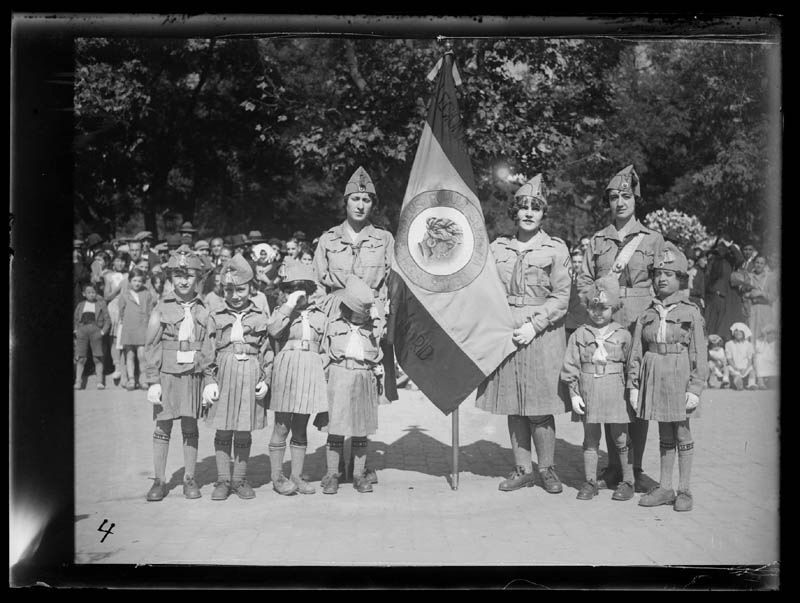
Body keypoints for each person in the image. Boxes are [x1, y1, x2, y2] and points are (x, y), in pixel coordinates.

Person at [476, 174, 570, 494]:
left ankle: (547, 469)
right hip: (507, 330)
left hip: (542, 332)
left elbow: (561, 297)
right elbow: (485, 289)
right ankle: (522, 469)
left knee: (540, 405)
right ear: (514, 212)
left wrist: (535, 324)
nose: (529, 213)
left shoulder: (555, 248)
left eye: (536, 207)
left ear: (544, 213)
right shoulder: (497, 247)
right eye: (523, 207)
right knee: (514, 403)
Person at [576, 165, 664, 494]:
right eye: (614, 197)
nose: (620, 202)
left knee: (635, 394)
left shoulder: (652, 239)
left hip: (639, 321)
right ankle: (614, 468)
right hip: (607, 323)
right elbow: (584, 279)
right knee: (610, 392)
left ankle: (634, 468)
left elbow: (662, 282)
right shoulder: (597, 241)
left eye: (626, 196)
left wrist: (654, 318)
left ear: (636, 199)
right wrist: (596, 306)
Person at [313, 166, 396, 483]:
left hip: (369, 325)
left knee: (363, 400)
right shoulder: (328, 239)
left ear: (372, 205)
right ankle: (333, 472)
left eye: (366, 200)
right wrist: (327, 316)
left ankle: (359, 471)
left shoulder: (383, 239)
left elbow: (390, 284)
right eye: (355, 199)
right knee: (335, 399)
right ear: (345, 202)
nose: (360, 205)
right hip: (337, 323)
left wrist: (381, 315)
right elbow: (318, 286)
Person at [628, 242, 708, 512]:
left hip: (678, 376)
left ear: (681, 279)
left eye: (669, 274)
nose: (661, 278)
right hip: (654, 375)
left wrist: (695, 388)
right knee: (663, 429)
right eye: (657, 273)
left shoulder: (690, 312)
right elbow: (636, 352)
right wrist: (634, 384)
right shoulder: (647, 314)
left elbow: (699, 353)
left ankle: (684, 489)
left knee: (682, 430)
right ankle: (665, 487)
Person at [202, 254, 273, 501]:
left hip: (250, 374)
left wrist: (266, 378)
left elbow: (267, 350)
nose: (235, 295)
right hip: (224, 373)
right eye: (229, 289)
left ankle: (240, 479)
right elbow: (207, 349)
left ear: (250, 288)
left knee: (243, 429)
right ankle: (222, 480)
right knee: (223, 428)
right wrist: (209, 380)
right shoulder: (215, 315)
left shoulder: (260, 316)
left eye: (240, 289)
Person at [143, 251, 211, 501]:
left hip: (193, 375)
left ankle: (190, 478)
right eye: (178, 275)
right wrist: (152, 381)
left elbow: (208, 345)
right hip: (168, 375)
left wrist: (209, 380)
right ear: (171, 277)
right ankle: (159, 480)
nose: (183, 281)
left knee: (190, 425)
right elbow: (151, 344)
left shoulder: (205, 309)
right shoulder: (161, 308)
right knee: (163, 425)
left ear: (198, 277)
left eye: (189, 275)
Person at [561, 276, 634, 501]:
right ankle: (590, 481)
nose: (598, 312)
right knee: (591, 439)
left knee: (620, 437)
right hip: (589, 390)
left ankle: (628, 480)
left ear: (614, 308)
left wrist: (633, 389)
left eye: (604, 308)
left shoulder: (623, 334)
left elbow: (631, 365)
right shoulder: (580, 334)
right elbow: (570, 365)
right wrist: (574, 394)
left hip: (615, 391)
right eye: (593, 307)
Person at [266, 263, 328, 496]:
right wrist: (289, 305)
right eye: (292, 287)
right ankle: (277, 476)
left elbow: (326, 346)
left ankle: (297, 475)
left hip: (310, 368)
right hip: (287, 367)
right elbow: (273, 331)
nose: (298, 291)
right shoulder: (281, 312)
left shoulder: (319, 315)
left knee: (300, 427)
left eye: (303, 287)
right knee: (282, 426)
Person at [320, 276, 385, 495]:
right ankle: (332, 475)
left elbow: (379, 346)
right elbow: (324, 353)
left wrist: (375, 317)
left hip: (363, 376)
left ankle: (358, 474)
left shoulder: (372, 328)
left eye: (365, 311)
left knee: (360, 429)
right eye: (358, 310)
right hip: (339, 375)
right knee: (335, 428)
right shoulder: (334, 324)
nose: (362, 315)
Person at [118, 268, 156, 390]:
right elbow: (122, 312)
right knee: (129, 355)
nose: (137, 283)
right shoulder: (124, 295)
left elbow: (150, 310)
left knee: (142, 355)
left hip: (142, 328)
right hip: (129, 329)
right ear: (130, 281)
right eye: (134, 280)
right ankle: (131, 380)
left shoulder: (146, 294)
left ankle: (143, 379)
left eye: (139, 281)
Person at [704, 238, 745, 339]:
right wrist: (714, 291)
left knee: (725, 324)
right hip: (715, 296)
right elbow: (708, 279)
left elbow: (740, 259)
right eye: (719, 248)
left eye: (723, 248)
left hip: (728, 295)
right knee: (713, 323)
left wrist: (731, 246)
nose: (721, 250)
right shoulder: (713, 261)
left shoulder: (730, 261)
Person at [74, 283, 111, 390]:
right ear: (84, 294)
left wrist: (102, 332)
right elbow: (76, 318)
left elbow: (107, 319)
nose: (91, 295)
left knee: (98, 357)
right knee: (81, 358)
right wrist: (77, 330)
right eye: (89, 293)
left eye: (93, 292)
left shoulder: (101, 304)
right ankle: (78, 381)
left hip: (96, 331)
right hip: (82, 331)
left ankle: (100, 381)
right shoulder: (81, 305)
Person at [104, 252, 130, 386]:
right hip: (113, 306)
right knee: (114, 340)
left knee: (123, 339)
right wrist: (118, 288)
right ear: (113, 262)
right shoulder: (108, 276)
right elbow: (107, 296)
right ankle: (117, 367)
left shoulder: (128, 275)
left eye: (122, 261)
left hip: (126, 306)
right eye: (117, 261)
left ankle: (126, 369)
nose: (120, 264)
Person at [742, 256, 776, 346]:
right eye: (757, 262)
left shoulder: (770, 278)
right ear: (754, 263)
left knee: (764, 336)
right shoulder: (749, 276)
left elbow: (773, 297)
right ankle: (752, 359)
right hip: (752, 309)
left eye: (761, 263)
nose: (759, 265)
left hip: (765, 310)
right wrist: (748, 295)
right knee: (751, 335)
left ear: (765, 265)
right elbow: (743, 295)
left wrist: (760, 293)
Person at [725, 322, 756, 390]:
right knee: (733, 372)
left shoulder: (749, 345)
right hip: (735, 366)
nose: (738, 334)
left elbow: (750, 359)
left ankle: (751, 384)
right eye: (736, 332)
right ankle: (739, 384)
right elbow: (729, 359)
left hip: (745, 367)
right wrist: (736, 368)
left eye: (740, 332)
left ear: (744, 334)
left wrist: (746, 369)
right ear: (733, 334)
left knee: (752, 371)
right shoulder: (729, 344)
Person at [754, 324, 778, 389]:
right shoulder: (760, 342)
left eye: (772, 333)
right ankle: (760, 382)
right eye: (768, 333)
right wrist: (764, 340)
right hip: (764, 361)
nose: (771, 335)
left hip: (774, 362)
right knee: (758, 357)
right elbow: (760, 351)